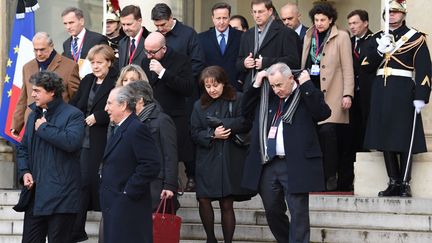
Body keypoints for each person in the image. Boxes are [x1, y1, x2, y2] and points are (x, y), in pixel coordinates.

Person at [241, 63, 330, 243]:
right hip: (269, 162)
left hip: (295, 162)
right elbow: (245, 111)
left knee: (298, 212)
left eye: (279, 85)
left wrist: (306, 85)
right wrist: (257, 83)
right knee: (272, 211)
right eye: (273, 85)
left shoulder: (305, 93)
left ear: (291, 79)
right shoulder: (267, 96)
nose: (276, 90)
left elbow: (322, 113)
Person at [361, 0, 431, 197]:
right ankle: (393, 181)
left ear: (403, 14)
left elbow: (425, 69)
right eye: (388, 12)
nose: (391, 15)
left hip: (403, 91)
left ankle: (404, 182)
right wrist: (378, 51)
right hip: (381, 90)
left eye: (395, 12)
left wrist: (421, 96)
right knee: (384, 135)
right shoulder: (376, 38)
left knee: (403, 136)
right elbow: (365, 67)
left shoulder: (415, 38)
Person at [16, 71, 85, 243]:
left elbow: (72, 142)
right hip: (35, 196)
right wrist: (25, 171)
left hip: (61, 198)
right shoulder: (34, 116)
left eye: (37, 91)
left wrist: (45, 128)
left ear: (52, 91)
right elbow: (23, 148)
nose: (32, 94)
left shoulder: (74, 115)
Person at [191, 66, 252, 243]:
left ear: (223, 82)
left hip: (229, 156)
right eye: (208, 86)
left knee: (226, 202)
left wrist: (223, 124)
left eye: (215, 85)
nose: (212, 90)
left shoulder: (238, 98)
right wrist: (211, 135)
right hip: (207, 157)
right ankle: (211, 238)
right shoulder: (199, 105)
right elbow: (194, 132)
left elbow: (246, 122)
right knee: (203, 198)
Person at [301, 2, 354, 191]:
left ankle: (331, 176)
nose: (319, 23)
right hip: (310, 92)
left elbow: (348, 67)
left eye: (323, 20)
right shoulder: (309, 36)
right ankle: (315, 177)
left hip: (333, 92)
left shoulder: (342, 37)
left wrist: (348, 93)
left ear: (330, 20)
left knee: (328, 134)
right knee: (312, 135)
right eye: (316, 20)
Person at [69, 44, 118, 242]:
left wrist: (99, 116)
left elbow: (121, 107)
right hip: (84, 139)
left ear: (109, 62)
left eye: (99, 62)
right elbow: (76, 103)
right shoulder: (88, 79)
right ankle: (76, 230)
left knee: (96, 182)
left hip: (104, 138)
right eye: (92, 63)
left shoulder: (116, 81)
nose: (95, 66)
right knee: (81, 183)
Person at [100, 86, 160, 243]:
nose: (106, 108)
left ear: (123, 105)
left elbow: (151, 164)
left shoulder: (136, 128)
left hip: (128, 208)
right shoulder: (121, 128)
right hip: (116, 207)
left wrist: (128, 192)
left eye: (109, 103)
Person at [123, 81, 180, 212]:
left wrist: (170, 185)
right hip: (136, 182)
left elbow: (170, 155)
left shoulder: (162, 120)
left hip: (156, 185)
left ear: (140, 100)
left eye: (129, 99)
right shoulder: (130, 122)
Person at [11, 32, 80, 137]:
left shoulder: (70, 66)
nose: (38, 53)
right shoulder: (27, 67)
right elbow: (23, 98)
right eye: (35, 50)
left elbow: (76, 98)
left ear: (51, 46)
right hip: (32, 125)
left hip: (58, 126)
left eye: (42, 49)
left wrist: (71, 122)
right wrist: (16, 125)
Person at [341, 9, 374, 191]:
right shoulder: (348, 42)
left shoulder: (375, 40)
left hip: (367, 95)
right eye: (350, 23)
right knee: (348, 137)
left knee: (364, 134)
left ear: (366, 23)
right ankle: (345, 181)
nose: (352, 27)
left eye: (355, 23)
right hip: (350, 95)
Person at [236, 0, 300, 91]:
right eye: (254, 12)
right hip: (251, 88)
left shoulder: (286, 33)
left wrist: (266, 62)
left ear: (270, 11)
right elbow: (238, 62)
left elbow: (293, 61)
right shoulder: (247, 35)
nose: (257, 15)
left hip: (275, 89)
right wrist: (244, 63)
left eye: (261, 11)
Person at [199, 2, 244, 91]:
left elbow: (245, 58)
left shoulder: (242, 36)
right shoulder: (201, 38)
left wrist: (241, 80)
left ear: (229, 18)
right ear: (213, 18)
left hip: (235, 88)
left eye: (225, 18)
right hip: (211, 89)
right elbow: (200, 63)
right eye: (218, 18)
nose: (221, 22)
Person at [118, 5, 150, 69]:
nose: (125, 28)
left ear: (139, 21)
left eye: (129, 24)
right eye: (123, 24)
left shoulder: (150, 39)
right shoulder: (122, 43)